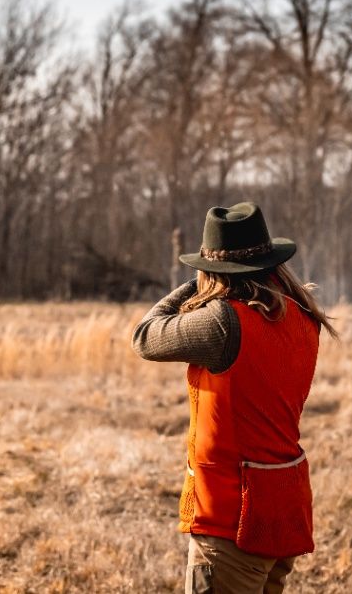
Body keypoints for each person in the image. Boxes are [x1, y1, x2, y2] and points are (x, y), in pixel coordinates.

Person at [132, 202, 337, 594]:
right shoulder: (301, 313)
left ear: (216, 272)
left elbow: (144, 336)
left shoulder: (224, 323)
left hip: (231, 520)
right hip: (280, 509)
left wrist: (200, 280)